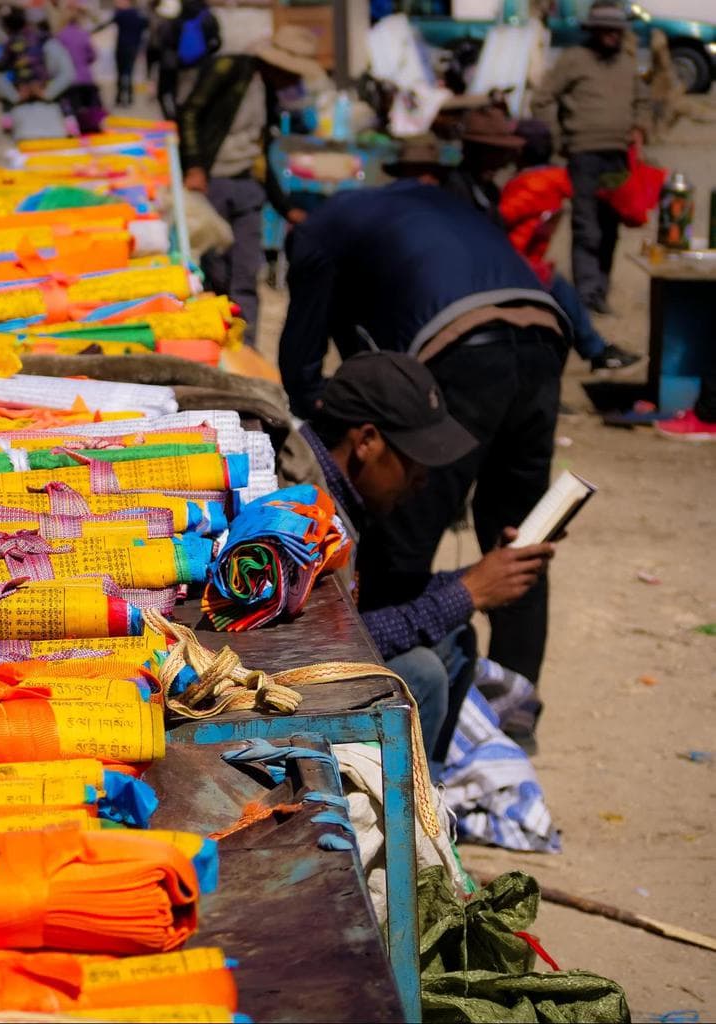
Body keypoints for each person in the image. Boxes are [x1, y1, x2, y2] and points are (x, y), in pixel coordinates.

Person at [278, 170, 568, 706]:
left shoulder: (318, 233)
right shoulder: (421, 204)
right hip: (545, 331)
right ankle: (513, 705)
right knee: (521, 534)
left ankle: (484, 706)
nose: (423, 477)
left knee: (408, 552)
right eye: (415, 463)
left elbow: (301, 369)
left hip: (462, 346)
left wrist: (341, 420)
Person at [300, 352, 555, 765]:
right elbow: (334, 644)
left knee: (454, 639)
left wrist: (478, 578)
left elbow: (353, 612)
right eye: (414, 461)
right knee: (420, 671)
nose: (423, 479)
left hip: (323, 653)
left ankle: (428, 787)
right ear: (366, 442)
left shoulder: (341, 490)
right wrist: (466, 594)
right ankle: (412, 819)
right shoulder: (306, 511)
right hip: (295, 685)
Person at [178, 26, 323, 347]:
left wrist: (285, 207)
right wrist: (195, 166)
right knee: (214, 273)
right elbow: (189, 111)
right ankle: (216, 343)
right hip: (211, 183)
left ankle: (248, 351)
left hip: (248, 186)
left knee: (245, 274)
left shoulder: (271, 93)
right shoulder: (230, 69)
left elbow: (260, 151)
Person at [530, 0, 649, 316]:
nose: (612, 35)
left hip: (619, 158)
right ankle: (586, 295)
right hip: (583, 155)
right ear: (594, 31)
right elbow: (541, 100)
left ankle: (601, 292)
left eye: (617, 30)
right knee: (587, 227)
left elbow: (643, 102)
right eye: (607, 30)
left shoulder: (626, 63)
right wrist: (558, 138)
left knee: (611, 227)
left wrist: (639, 127)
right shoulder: (574, 60)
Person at [498, 117, 641, 370]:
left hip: (512, 267)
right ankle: (596, 350)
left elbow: (499, 217)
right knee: (562, 289)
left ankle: (595, 350)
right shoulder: (551, 179)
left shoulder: (531, 185)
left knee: (558, 287)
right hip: (527, 263)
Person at [155, 0, 220, 120]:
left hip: (178, 63)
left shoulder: (178, 14)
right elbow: (217, 42)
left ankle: (176, 120)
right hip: (202, 62)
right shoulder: (208, 16)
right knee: (197, 93)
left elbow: (165, 40)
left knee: (177, 94)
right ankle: (194, 120)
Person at [50, 7, 104, 132]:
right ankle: (92, 130)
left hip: (68, 80)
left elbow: (55, 59)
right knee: (90, 108)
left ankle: (75, 131)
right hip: (86, 78)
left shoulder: (60, 36)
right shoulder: (83, 34)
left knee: (72, 109)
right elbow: (93, 55)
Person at [104, 0, 148, 107]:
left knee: (121, 73)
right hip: (133, 48)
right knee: (129, 73)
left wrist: (90, 32)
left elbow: (106, 24)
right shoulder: (139, 15)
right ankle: (129, 98)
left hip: (122, 47)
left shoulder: (121, 14)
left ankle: (119, 98)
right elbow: (145, 29)